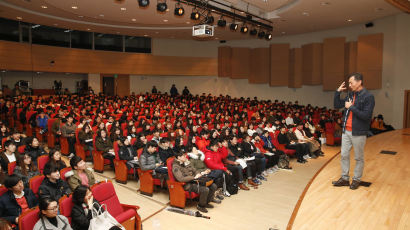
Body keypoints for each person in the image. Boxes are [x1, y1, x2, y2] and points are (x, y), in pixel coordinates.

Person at [333, 72, 375, 190]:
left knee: (358, 157)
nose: (349, 85)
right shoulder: (350, 95)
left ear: (359, 82)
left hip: (359, 132)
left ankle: (356, 179)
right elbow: (337, 105)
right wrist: (338, 92)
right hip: (346, 131)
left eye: (351, 82)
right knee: (344, 155)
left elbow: (366, 116)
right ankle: (345, 178)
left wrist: (351, 107)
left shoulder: (368, 97)